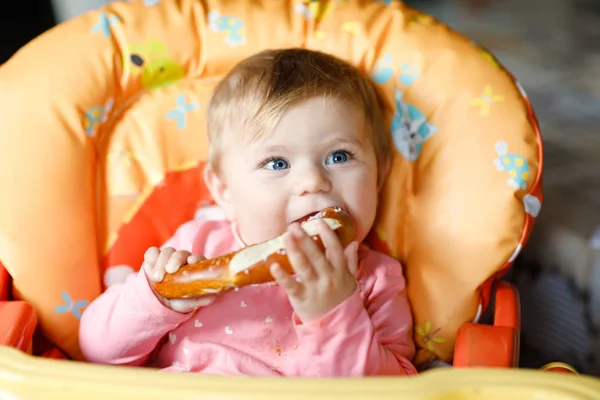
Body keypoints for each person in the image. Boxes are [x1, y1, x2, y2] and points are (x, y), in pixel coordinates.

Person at [79, 48, 417, 377]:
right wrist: (155, 300)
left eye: (339, 156)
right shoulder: (195, 247)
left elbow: (396, 389)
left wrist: (334, 317)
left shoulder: (374, 280)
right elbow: (97, 352)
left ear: (379, 174)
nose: (313, 181)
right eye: (277, 163)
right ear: (224, 189)